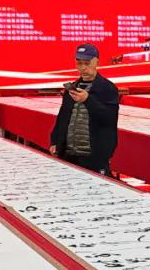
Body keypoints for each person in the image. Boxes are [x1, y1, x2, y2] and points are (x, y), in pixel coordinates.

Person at [49, 44, 120, 176]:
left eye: (87, 63)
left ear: (96, 62)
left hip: (94, 157)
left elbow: (109, 118)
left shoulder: (108, 88)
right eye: (79, 63)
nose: (83, 68)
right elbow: (63, 117)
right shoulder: (72, 88)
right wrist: (54, 141)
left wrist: (87, 100)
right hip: (69, 154)